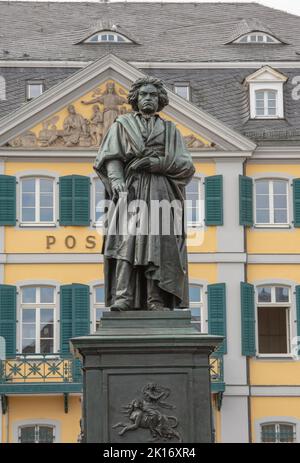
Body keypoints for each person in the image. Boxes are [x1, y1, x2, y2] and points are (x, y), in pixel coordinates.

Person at [93, 76, 195, 311]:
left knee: (158, 245)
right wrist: (117, 181)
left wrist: (157, 163)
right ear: (135, 99)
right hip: (131, 190)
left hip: (161, 193)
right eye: (143, 95)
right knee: (126, 243)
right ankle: (123, 296)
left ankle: (155, 299)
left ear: (160, 100)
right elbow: (112, 157)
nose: (148, 98)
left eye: (152, 95)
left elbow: (186, 165)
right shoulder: (122, 124)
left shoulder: (171, 130)